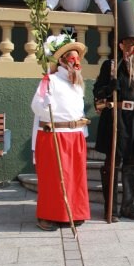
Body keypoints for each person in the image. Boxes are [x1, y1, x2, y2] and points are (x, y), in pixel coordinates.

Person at [93, 1, 134, 221]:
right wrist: (110, 87)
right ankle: (110, 206)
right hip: (115, 118)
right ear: (121, 45)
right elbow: (97, 93)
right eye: (129, 44)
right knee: (112, 163)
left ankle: (128, 206)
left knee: (132, 164)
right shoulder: (110, 66)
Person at [31, 35, 90, 231]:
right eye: (71, 57)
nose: (76, 61)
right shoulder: (51, 80)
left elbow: (78, 110)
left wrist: (83, 132)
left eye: (77, 57)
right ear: (62, 60)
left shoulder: (77, 84)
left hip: (75, 136)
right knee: (54, 178)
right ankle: (48, 216)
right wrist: (43, 103)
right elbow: (35, 105)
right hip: (54, 135)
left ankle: (72, 212)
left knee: (75, 178)